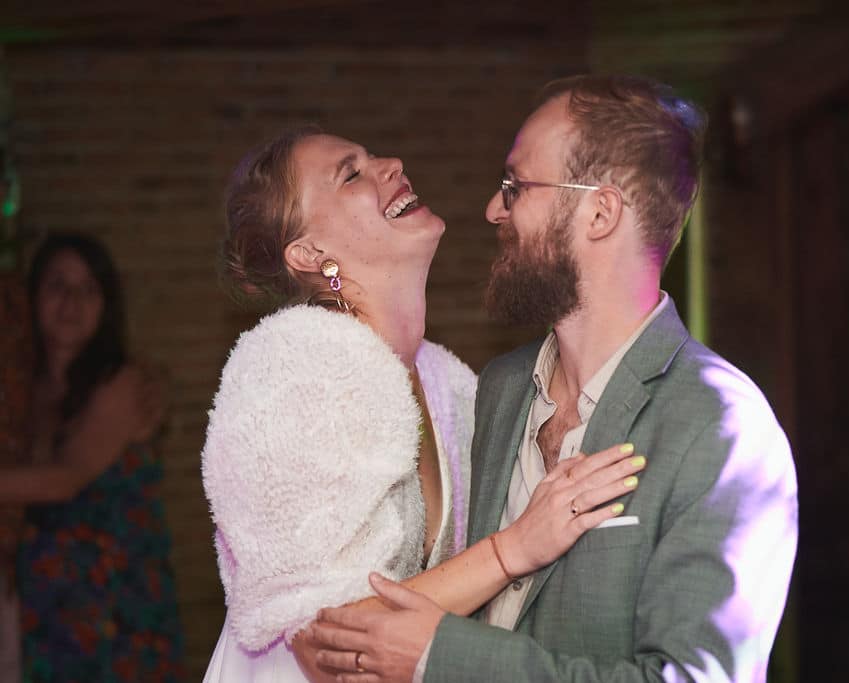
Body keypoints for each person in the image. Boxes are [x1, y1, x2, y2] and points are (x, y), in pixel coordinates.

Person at [310, 75, 799, 683]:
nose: (494, 209)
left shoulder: (720, 426)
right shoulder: (500, 389)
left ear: (599, 212)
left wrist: (444, 658)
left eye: (515, 187)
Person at [201, 127, 647, 682]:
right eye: (351, 174)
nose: (390, 163)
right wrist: (515, 548)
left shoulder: (447, 381)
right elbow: (326, 644)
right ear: (311, 254)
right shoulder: (288, 368)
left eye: (372, 157)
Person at [0, 232, 184, 681]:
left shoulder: (123, 381)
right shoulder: (22, 390)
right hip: (47, 608)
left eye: (88, 289)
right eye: (57, 285)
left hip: (118, 604)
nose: (71, 301)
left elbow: (66, 478)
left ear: (106, 305)